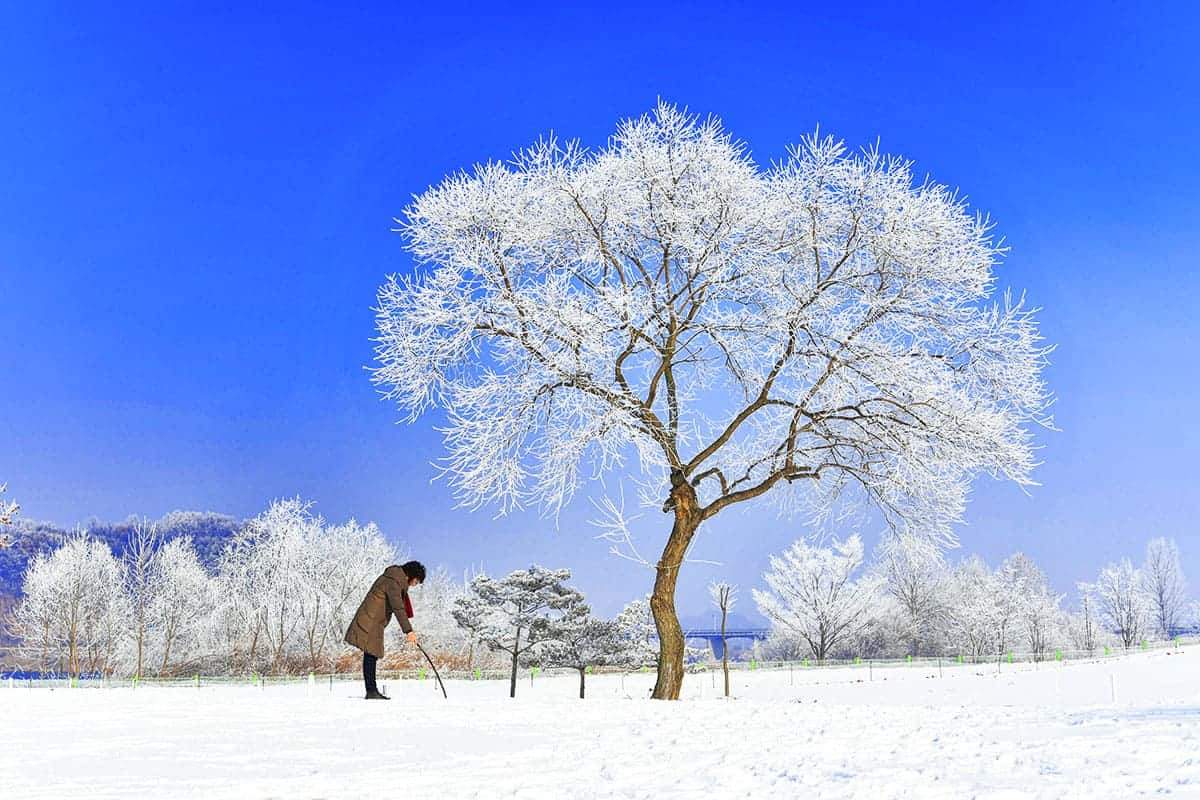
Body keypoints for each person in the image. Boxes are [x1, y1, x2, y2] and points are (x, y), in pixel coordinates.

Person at [344, 560, 426, 699]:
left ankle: (371, 690)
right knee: (371, 653)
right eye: (416, 581)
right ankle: (371, 691)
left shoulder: (395, 579)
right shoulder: (393, 582)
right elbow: (398, 607)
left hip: (373, 619)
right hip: (371, 619)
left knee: (372, 653)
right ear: (410, 575)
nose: (414, 584)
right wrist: (409, 631)